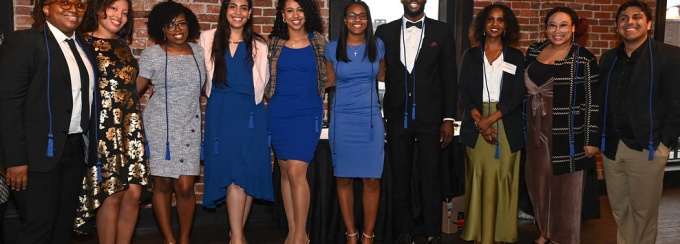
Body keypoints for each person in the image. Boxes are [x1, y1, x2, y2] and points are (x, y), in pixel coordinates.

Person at [0, 0, 95, 242]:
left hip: (73, 150)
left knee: (63, 227)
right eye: (65, 2)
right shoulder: (23, 43)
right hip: (35, 154)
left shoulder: (84, 47)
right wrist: (16, 160)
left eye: (81, 4)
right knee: (38, 228)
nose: (73, 9)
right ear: (45, 8)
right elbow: (9, 105)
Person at [374, 0, 456, 243]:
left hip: (432, 117)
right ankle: (403, 231)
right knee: (400, 176)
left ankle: (432, 231)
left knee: (431, 176)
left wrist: (449, 118)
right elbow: (377, 72)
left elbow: (449, 76)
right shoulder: (384, 32)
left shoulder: (442, 30)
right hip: (397, 116)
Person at [599, 1, 680, 243]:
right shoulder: (608, 59)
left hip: (648, 147)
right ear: (617, 26)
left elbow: (677, 104)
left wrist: (665, 143)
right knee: (620, 209)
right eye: (623, 18)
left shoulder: (669, 56)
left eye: (637, 17)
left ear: (648, 23)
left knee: (643, 212)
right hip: (612, 146)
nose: (629, 22)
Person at [72, 0, 150, 242]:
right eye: (114, 9)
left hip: (129, 125)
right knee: (112, 193)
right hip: (102, 126)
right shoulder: (83, 42)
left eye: (125, 12)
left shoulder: (122, 44)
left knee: (134, 193)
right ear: (98, 9)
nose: (120, 16)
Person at [198, 0, 274, 243]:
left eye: (243, 7)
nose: (238, 12)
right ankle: (238, 237)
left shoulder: (259, 45)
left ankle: (236, 235)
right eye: (233, 6)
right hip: (220, 112)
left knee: (247, 171)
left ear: (250, 12)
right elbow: (201, 76)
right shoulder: (207, 38)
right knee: (232, 172)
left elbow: (263, 83)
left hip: (251, 113)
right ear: (225, 11)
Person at [524, 6, 601, 244]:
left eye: (564, 25)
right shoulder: (534, 50)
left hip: (568, 133)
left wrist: (591, 140)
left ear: (573, 28)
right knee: (538, 183)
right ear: (545, 28)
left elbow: (593, 102)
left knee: (566, 190)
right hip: (535, 129)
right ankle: (545, 230)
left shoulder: (583, 58)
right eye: (553, 25)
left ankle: (564, 237)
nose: (558, 30)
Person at [136, 2, 204, 244]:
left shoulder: (199, 52)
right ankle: (169, 239)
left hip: (189, 126)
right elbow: (136, 90)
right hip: (160, 129)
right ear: (161, 29)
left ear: (190, 25)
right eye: (170, 24)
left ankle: (184, 238)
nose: (177, 29)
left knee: (186, 187)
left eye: (182, 23)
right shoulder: (152, 55)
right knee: (162, 185)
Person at [457, 4, 525, 244]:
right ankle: (478, 234)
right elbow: (463, 92)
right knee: (478, 178)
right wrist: (480, 121)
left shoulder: (516, 57)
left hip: (506, 122)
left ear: (507, 26)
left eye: (500, 20)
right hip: (476, 124)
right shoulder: (470, 55)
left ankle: (501, 234)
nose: (495, 24)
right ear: (483, 24)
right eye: (490, 20)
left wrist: (491, 119)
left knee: (504, 178)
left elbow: (518, 94)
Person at [324, 1, 385, 243]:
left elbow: (383, 75)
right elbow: (328, 81)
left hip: (370, 120)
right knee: (344, 177)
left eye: (362, 15)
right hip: (342, 120)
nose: (357, 19)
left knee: (372, 178)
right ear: (345, 20)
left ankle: (368, 235)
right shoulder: (332, 48)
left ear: (368, 20)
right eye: (352, 15)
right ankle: (351, 234)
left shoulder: (378, 46)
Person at [267, 0, 326, 243]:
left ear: (308, 13)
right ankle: (292, 230)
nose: (295, 15)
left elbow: (330, 77)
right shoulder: (273, 43)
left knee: (296, 171)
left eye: (300, 10)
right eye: (290, 10)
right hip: (279, 111)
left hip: (306, 112)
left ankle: (301, 235)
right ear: (282, 15)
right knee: (284, 172)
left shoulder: (320, 42)